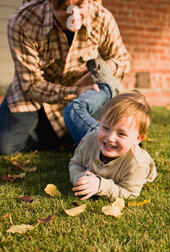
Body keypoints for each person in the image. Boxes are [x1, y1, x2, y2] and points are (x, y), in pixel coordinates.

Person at [0, 0, 130, 155]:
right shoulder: (23, 21)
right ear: (50, 3)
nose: (74, 15)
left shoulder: (101, 17)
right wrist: (75, 91)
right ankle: (58, 135)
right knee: (6, 148)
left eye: (80, 6)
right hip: (33, 95)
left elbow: (123, 61)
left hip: (83, 94)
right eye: (65, 8)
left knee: (107, 85)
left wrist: (103, 68)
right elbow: (31, 85)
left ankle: (76, 135)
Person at [69, 91, 157, 200]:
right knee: (72, 110)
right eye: (105, 128)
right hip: (93, 140)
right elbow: (75, 163)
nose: (110, 138)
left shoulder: (137, 164)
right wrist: (79, 177)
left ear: (138, 139)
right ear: (100, 123)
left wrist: (100, 185)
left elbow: (130, 193)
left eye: (121, 134)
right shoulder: (89, 140)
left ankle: (106, 89)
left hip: (136, 167)